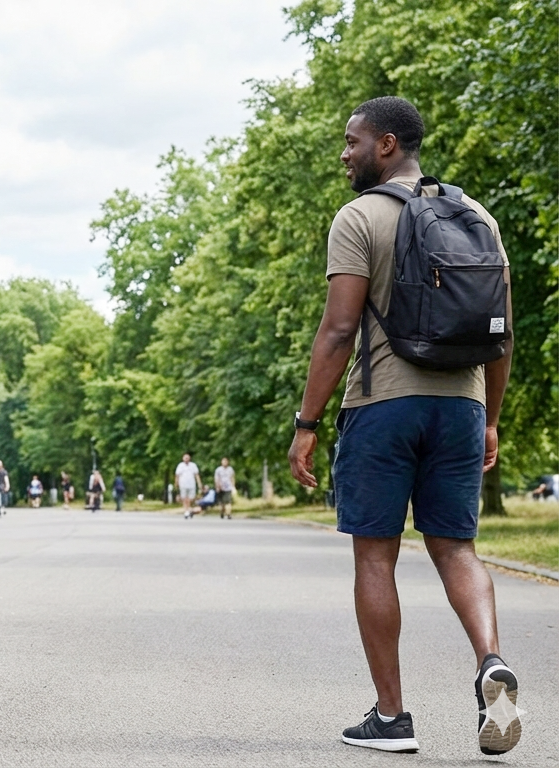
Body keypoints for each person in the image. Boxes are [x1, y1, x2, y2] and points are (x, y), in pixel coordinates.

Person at [288, 97, 519, 755]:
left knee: (376, 553)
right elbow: (503, 335)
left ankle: (391, 717)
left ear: (386, 145)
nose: (344, 152)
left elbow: (337, 330)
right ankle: (490, 662)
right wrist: (491, 419)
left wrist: (307, 422)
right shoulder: (480, 217)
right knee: (456, 549)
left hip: (384, 406)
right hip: (462, 408)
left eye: (352, 141)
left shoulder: (360, 217)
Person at [175, 453, 201, 519]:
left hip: (191, 484)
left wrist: (199, 483)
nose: (186, 459)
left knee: (191, 498)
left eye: (187, 457)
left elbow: (196, 475)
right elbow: (177, 475)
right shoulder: (180, 466)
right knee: (184, 498)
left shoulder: (193, 465)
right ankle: (186, 511)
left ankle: (189, 509)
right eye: (185, 457)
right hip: (183, 484)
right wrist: (176, 483)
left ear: (189, 458)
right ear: (183, 458)